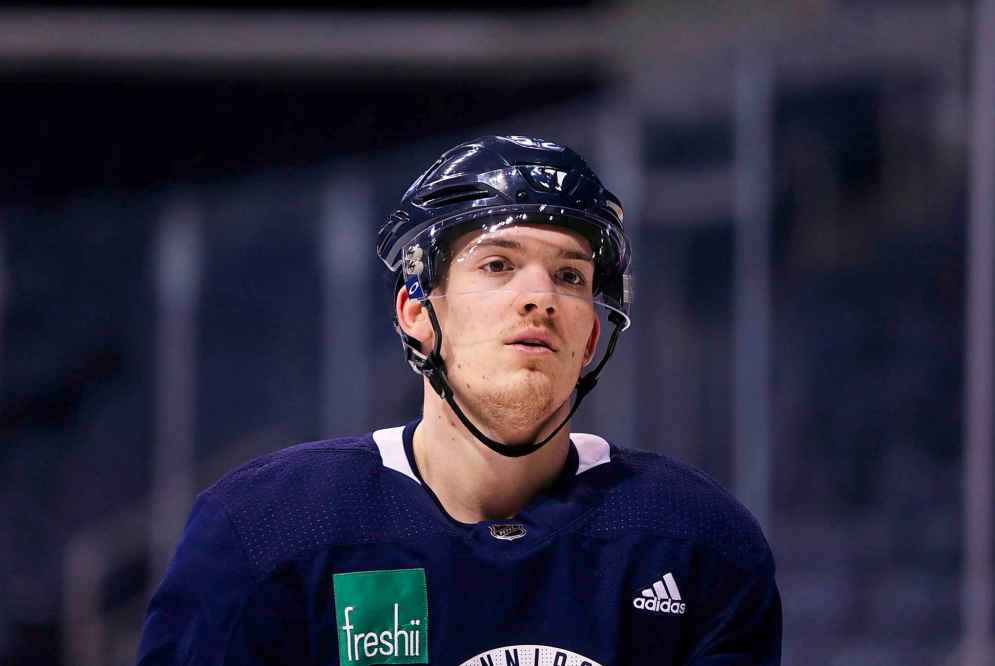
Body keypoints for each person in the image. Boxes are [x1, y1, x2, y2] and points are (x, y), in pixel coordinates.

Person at [135, 135, 782, 665]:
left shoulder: (695, 543)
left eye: (570, 275)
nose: (541, 298)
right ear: (416, 311)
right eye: (497, 265)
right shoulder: (267, 530)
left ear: (591, 334)